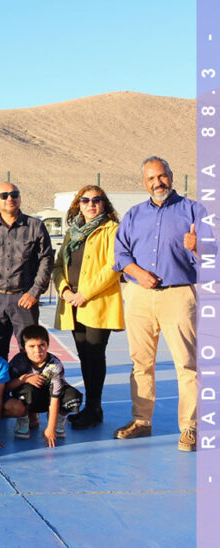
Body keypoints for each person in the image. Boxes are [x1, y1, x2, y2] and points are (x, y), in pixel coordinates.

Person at [113, 156, 210, 452]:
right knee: (141, 363)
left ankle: (191, 427)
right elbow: (120, 254)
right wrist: (139, 274)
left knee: (187, 363)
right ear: (144, 183)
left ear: (171, 175)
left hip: (179, 295)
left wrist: (199, 247)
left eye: (162, 176)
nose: (157, 183)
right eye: (151, 178)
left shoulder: (194, 210)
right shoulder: (133, 215)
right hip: (140, 296)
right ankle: (141, 421)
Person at [52, 186, 123, 429]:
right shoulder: (73, 233)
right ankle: (90, 408)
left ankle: (94, 408)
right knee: (83, 354)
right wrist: (65, 290)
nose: (91, 204)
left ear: (104, 204)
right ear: (78, 205)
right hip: (73, 302)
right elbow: (58, 265)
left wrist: (85, 293)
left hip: (96, 303)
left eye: (96, 200)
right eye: (85, 200)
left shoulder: (111, 229)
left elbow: (114, 266)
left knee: (95, 354)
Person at [0, 183, 54, 358]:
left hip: (25, 299)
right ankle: (1, 386)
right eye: (4, 195)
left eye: (14, 194)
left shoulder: (35, 227)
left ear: (20, 198)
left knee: (30, 350)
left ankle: (28, 385)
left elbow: (46, 261)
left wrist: (34, 292)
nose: (10, 198)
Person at [4, 325, 82, 447]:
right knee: (26, 391)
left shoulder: (54, 364)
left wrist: (50, 428)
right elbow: (7, 387)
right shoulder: (19, 362)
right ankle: (24, 419)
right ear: (24, 348)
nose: (38, 350)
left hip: (49, 397)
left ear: (47, 345)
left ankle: (59, 420)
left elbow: (55, 397)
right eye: (32, 346)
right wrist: (24, 378)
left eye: (42, 345)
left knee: (74, 397)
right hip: (31, 397)